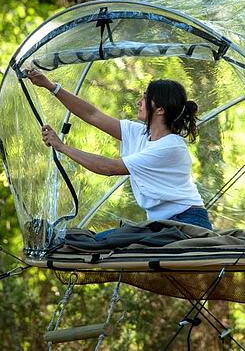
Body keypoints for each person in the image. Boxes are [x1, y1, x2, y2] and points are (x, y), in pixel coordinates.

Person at [25, 69, 213, 233]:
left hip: (188, 222)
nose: (139, 102)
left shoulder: (171, 146)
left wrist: (62, 147)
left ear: (160, 109)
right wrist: (50, 86)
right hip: (162, 224)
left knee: (110, 241)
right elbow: (92, 114)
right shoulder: (140, 133)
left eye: (145, 97)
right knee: (111, 240)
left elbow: (109, 168)